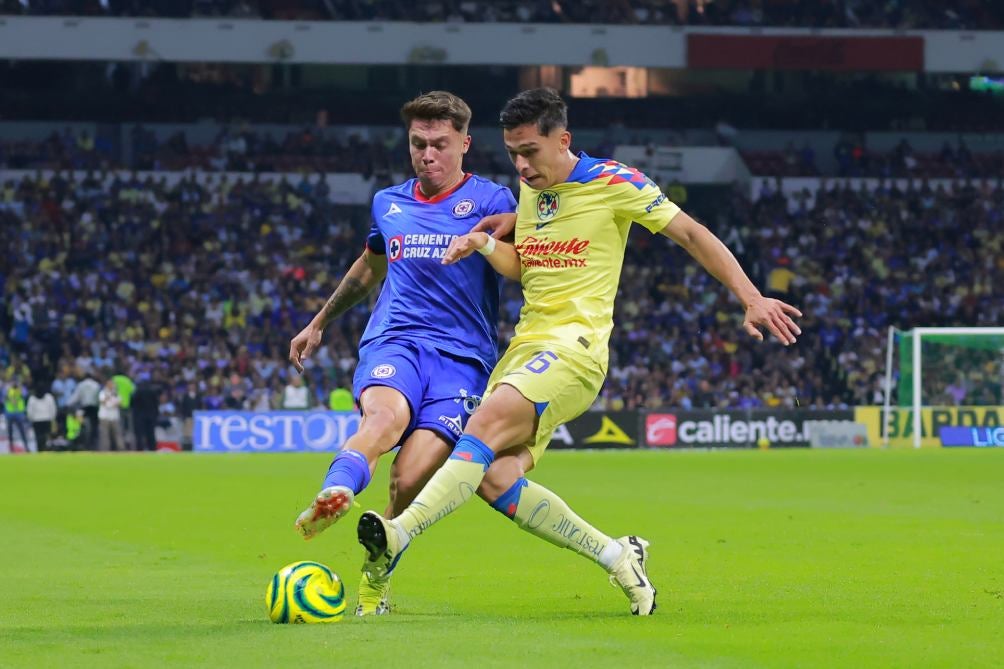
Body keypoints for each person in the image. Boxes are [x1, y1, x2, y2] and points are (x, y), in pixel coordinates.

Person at [355, 88, 803, 616]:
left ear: (562, 139)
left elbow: (691, 233)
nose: (521, 165)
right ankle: (618, 556)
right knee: (493, 477)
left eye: (531, 152)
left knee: (479, 431)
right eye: (513, 154)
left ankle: (401, 533)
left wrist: (750, 298)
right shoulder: (530, 191)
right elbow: (526, 267)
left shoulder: (615, 182)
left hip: (576, 347)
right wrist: (486, 244)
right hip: (525, 348)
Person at [287, 91, 517, 616]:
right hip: (396, 339)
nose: (427, 154)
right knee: (383, 419)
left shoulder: (493, 201)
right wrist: (320, 321)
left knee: (409, 480)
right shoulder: (388, 203)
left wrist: (483, 244)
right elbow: (371, 265)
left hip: (463, 359)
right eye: (418, 144)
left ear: (465, 143)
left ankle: (377, 570)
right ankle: (332, 495)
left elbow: (519, 264)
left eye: (439, 144)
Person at [26, 385, 57, 452]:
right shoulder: (49, 397)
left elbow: (29, 411)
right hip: (46, 419)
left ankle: (40, 450)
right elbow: (53, 409)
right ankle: (46, 449)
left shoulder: (32, 398)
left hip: (37, 420)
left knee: (38, 437)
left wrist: (31, 419)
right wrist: (52, 418)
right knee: (46, 436)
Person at [98, 379, 126, 451]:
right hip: (104, 416)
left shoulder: (116, 393)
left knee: (118, 434)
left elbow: (120, 403)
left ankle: (121, 449)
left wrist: (113, 401)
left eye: (112, 384)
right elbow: (102, 401)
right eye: (110, 384)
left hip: (114, 416)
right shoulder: (103, 392)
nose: (111, 385)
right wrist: (109, 397)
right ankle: (105, 450)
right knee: (104, 435)